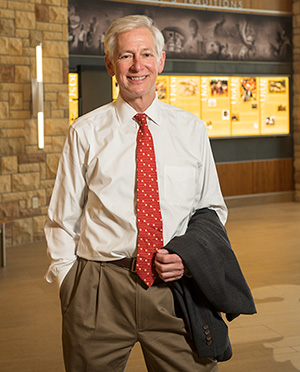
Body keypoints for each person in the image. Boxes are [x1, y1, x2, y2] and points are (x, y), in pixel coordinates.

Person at [45, 14, 256, 372]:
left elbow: (211, 209)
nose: (137, 65)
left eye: (145, 54)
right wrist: (71, 286)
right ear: (111, 65)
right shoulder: (85, 132)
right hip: (100, 290)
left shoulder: (191, 130)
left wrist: (188, 258)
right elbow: (63, 218)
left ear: (160, 60)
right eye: (126, 56)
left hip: (174, 290)